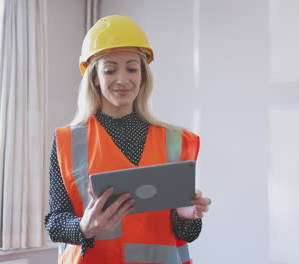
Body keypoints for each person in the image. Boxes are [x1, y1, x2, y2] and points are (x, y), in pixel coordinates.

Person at [44, 15, 212, 264]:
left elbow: (186, 235)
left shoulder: (175, 141)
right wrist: (84, 227)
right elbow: (55, 222)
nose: (122, 79)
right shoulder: (69, 141)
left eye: (132, 68)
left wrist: (187, 217)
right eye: (110, 69)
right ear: (94, 78)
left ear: (143, 75)